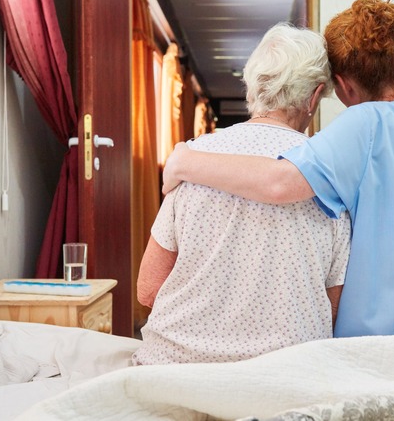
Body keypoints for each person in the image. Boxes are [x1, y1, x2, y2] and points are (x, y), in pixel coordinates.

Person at [162, 0, 394, 338]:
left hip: (388, 347)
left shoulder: (367, 122)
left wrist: (184, 161)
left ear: (344, 85)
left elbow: (278, 183)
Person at [132, 23, 351, 365]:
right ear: (313, 97)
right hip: (283, 377)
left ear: (252, 86)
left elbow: (148, 289)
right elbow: (334, 308)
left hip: (174, 370)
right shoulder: (328, 176)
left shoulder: (192, 159)